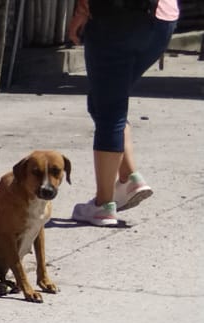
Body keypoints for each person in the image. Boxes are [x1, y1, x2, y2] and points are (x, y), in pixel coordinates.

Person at [66, 0, 180, 225]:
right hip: (162, 21)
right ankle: (130, 179)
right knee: (103, 102)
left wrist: (81, 10)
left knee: (110, 112)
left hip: (115, 20)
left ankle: (103, 205)